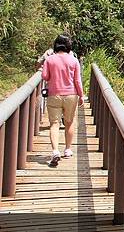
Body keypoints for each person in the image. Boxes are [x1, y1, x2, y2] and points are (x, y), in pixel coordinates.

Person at [41, 35, 84, 167]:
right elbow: (77, 80)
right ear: (69, 46)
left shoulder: (49, 59)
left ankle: (55, 151)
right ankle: (68, 149)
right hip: (71, 94)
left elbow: (45, 76)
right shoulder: (74, 60)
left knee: (54, 123)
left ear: (56, 45)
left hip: (54, 95)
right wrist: (81, 95)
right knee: (69, 122)